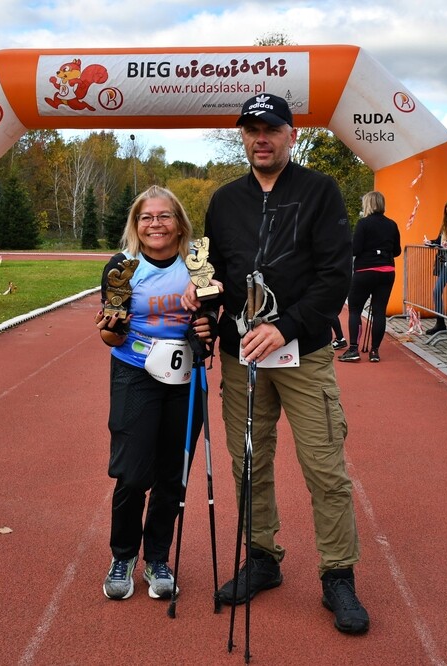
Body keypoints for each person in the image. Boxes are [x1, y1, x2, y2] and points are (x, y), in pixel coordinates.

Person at [181, 94, 369, 634]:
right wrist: (204, 303)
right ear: (242, 137)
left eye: (270, 129)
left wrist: (285, 326)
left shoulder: (320, 190)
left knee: (324, 466)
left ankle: (338, 574)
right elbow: (214, 272)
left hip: (302, 353)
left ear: (292, 134)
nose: (260, 138)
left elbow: (335, 276)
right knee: (248, 462)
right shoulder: (224, 200)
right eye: (250, 130)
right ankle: (261, 558)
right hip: (241, 356)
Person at [94, 185, 212, 601]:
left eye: (164, 216)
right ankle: (123, 556)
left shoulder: (198, 264)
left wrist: (207, 326)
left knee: (173, 473)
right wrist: (112, 328)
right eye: (146, 217)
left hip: (185, 377)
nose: (155, 224)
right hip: (135, 372)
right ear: (136, 224)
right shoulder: (123, 267)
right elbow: (109, 336)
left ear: (179, 223)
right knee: (132, 473)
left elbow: (214, 317)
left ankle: (158, 557)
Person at [338, 191, 401, 363]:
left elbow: (356, 249)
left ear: (368, 204)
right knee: (379, 311)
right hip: (387, 271)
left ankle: (353, 349)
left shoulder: (363, 223)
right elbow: (397, 251)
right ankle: (374, 351)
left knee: (355, 310)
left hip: (365, 270)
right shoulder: (392, 224)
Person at [424, 200, 447, 334]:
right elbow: (439, 241)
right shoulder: (445, 225)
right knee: (437, 291)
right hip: (444, 262)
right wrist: (430, 242)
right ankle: (440, 322)